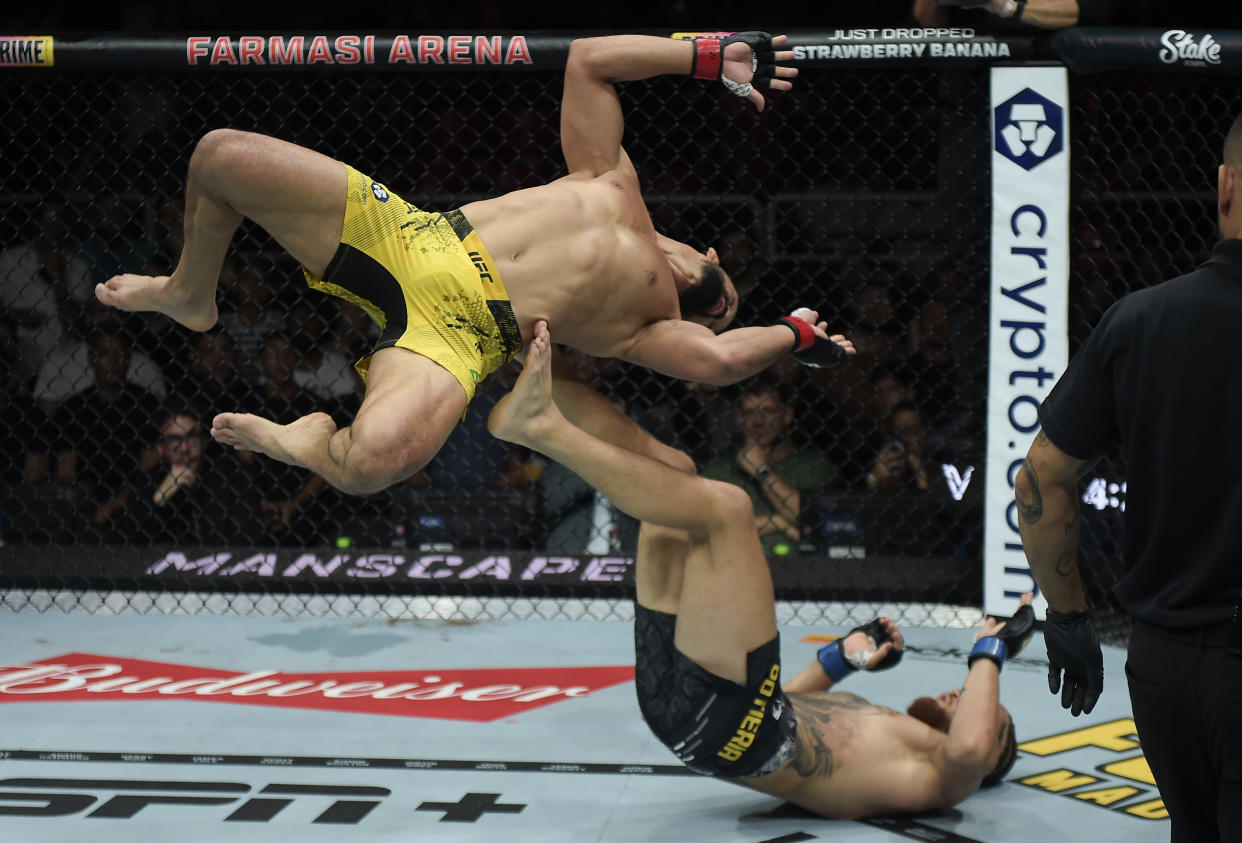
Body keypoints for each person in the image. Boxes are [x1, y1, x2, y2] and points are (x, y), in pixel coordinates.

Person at [93, 32, 853, 498]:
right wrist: (707, 55)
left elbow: (719, 361)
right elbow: (591, 61)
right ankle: (190, 291)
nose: (720, 305)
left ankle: (296, 439)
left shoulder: (644, 327)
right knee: (221, 155)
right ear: (709, 253)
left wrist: (792, 335)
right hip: (417, 237)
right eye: (723, 294)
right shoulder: (611, 176)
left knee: (369, 463)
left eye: (722, 303)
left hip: (460, 335)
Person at [488, 320, 1027, 817]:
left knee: (727, 509)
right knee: (675, 472)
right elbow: (781, 700)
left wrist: (991, 651)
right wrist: (844, 657)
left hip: (727, 724)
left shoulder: (944, 776)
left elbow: (973, 747)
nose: (970, 697)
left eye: (990, 715)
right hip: (705, 709)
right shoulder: (888, 726)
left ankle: (542, 429)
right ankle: (534, 372)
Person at [1016, 114, 1242, 842]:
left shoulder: (1141, 321)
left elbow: (1041, 478)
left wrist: (1068, 614)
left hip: (1165, 665)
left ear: (1225, 186)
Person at [703, 375, 837, 555]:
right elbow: (709, 527)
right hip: (738, 567)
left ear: (787, 415)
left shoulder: (813, 464)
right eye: (749, 412)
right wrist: (778, 522)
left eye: (768, 411)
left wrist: (762, 471)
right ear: (739, 418)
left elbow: (812, 520)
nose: (758, 421)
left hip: (803, 569)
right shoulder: (719, 470)